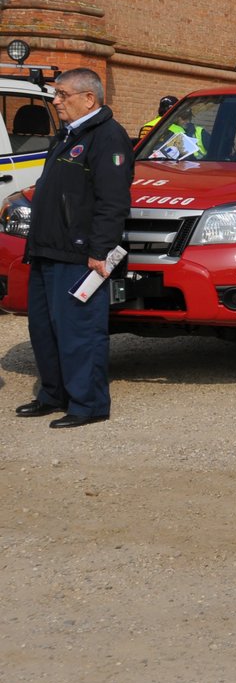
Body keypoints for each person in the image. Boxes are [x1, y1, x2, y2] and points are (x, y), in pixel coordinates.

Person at [16, 69, 134, 429]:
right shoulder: (68, 135)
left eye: (62, 94)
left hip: (80, 253)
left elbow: (112, 202)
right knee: (45, 328)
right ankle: (53, 394)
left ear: (88, 99)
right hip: (47, 249)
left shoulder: (108, 138)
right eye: (55, 94)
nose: (55, 101)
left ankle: (88, 404)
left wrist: (99, 251)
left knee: (79, 332)